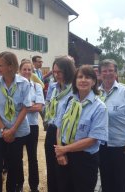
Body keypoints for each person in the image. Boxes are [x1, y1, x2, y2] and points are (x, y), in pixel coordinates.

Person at [54, 65, 108, 192]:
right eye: (80, 77)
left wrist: (64, 149)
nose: (83, 80)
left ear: (94, 82)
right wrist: (60, 152)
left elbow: (93, 139)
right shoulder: (68, 101)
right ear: (75, 81)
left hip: (85, 160)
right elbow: (59, 127)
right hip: (64, 156)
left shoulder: (99, 107)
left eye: (88, 77)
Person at [0, 51, 31, 192]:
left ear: (11, 66)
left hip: (18, 131)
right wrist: (4, 130)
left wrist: (13, 130)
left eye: (0, 65)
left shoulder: (24, 83)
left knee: (14, 166)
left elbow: (24, 108)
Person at [98, 59, 125, 192]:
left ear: (116, 73)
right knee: (106, 183)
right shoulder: (96, 93)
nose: (107, 73)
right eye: (104, 71)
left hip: (121, 147)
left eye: (111, 70)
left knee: (121, 184)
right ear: (100, 74)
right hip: (102, 147)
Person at [44, 56, 76, 192]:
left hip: (65, 134)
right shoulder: (53, 87)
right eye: (54, 72)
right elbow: (48, 104)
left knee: (63, 171)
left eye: (59, 72)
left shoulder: (74, 89)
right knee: (51, 169)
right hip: (52, 130)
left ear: (67, 71)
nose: (56, 75)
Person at [17, 59, 45, 192]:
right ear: (19, 71)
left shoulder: (37, 86)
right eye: (24, 69)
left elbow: (39, 107)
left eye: (29, 70)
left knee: (33, 157)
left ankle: (34, 186)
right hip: (18, 125)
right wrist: (31, 105)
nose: (27, 72)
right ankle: (19, 184)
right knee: (17, 157)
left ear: (32, 72)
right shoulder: (15, 86)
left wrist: (22, 107)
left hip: (32, 125)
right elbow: (12, 107)